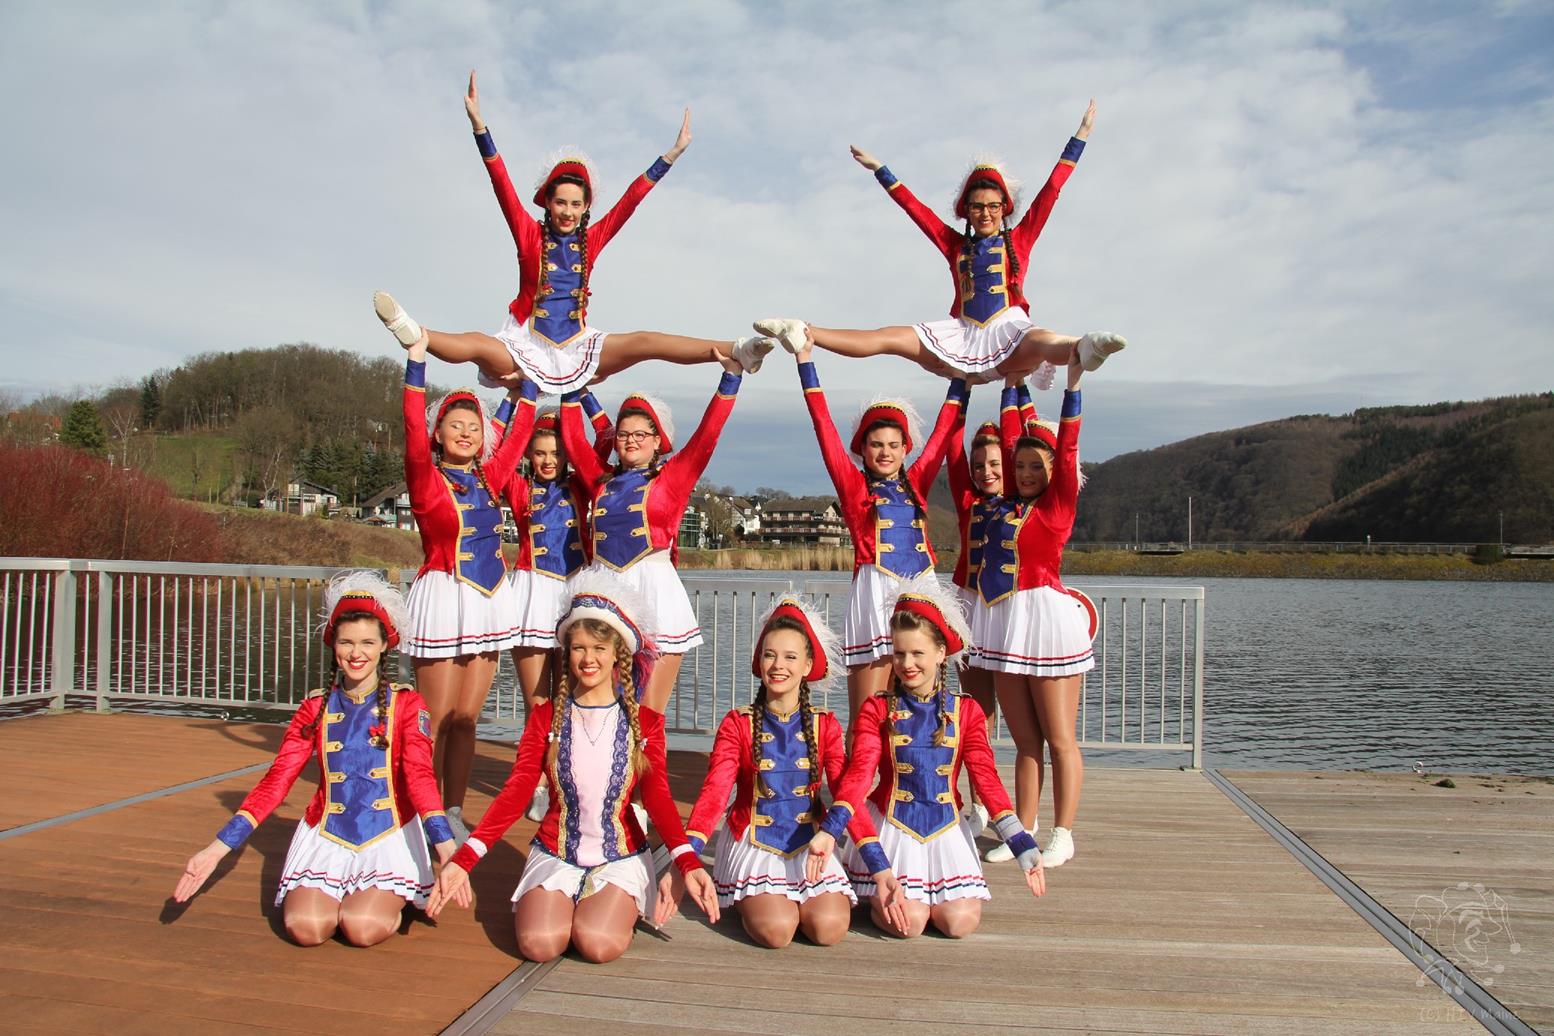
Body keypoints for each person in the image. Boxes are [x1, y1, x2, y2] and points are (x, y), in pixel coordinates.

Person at [373, 71, 775, 392]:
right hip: (526, 341)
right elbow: (501, 183)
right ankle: (417, 333)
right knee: (479, 344)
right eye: (560, 202)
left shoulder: (591, 240)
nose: (567, 211)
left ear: (585, 209)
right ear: (548, 203)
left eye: (575, 204)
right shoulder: (529, 234)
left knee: (645, 342)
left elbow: (631, 201)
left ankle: (739, 349)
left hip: (579, 344)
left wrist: (671, 154)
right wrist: (480, 127)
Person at [426, 575, 719, 963]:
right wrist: (464, 861)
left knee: (596, 943)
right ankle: (575, 901)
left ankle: (614, 899)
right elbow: (515, 793)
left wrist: (688, 863)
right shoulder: (546, 718)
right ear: (566, 653)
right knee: (539, 944)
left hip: (620, 856)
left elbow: (659, 799)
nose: (588, 659)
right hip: (556, 851)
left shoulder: (645, 723)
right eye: (578, 648)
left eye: (599, 648)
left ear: (617, 654)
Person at [172, 572, 454, 947]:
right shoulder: (315, 707)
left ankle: (399, 894)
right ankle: (347, 894)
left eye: (367, 642)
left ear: (385, 645)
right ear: (333, 644)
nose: (356, 654)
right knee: (305, 928)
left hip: (387, 835)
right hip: (327, 835)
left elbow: (419, 777)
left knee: (361, 927)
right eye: (346, 642)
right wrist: (217, 848)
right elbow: (277, 781)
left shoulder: (407, 704)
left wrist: (446, 847)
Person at [755, 101, 1125, 383]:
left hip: (1008, 332)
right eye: (977, 207)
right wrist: (881, 170)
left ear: (1004, 208)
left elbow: (1051, 191)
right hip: (961, 335)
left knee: (1043, 340)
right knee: (889, 337)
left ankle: (1086, 346)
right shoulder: (955, 246)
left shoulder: (1019, 238)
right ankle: (804, 331)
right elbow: (916, 210)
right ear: (966, 211)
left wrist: (1080, 137)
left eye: (992, 206)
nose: (985, 213)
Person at [806, 574, 1045, 939]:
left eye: (917, 653)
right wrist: (831, 830)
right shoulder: (877, 709)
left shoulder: (965, 711)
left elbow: (985, 778)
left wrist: (1021, 842)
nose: (907, 663)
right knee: (911, 924)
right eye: (899, 653)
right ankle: (874, 889)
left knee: (959, 923)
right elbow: (859, 776)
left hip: (946, 831)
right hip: (894, 829)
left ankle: (925, 897)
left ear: (940, 653)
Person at [678, 596, 907, 947]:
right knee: (777, 930)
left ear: (807, 665)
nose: (778, 666)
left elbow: (848, 796)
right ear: (759, 661)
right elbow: (715, 795)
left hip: (810, 843)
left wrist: (880, 868)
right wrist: (687, 859)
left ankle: (790, 899)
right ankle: (747, 894)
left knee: (829, 928)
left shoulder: (825, 725)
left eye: (790, 657)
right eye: (769, 655)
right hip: (754, 842)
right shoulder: (738, 723)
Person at [791, 336, 967, 729]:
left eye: (893, 445)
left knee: (922, 709)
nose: (885, 452)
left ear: (905, 449)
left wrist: (961, 381)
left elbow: (941, 436)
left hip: (921, 589)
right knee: (868, 716)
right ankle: (857, 772)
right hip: (874, 592)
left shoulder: (916, 483)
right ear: (863, 449)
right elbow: (824, 428)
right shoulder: (854, 488)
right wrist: (805, 361)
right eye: (876, 445)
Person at [400, 334, 534, 844]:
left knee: (465, 719)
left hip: (486, 602)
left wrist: (528, 387)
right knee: (433, 719)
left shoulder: (490, 478)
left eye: (473, 427)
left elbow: (515, 437)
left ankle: (452, 810)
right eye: (455, 425)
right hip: (443, 594)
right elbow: (411, 428)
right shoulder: (425, 479)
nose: (465, 433)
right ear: (437, 434)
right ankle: (422, 814)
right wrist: (416, 362)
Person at [559, 352, 747, 712]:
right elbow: (573, 439)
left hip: (655, 592)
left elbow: (707, 435)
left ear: (658, 440)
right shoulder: (600, 481)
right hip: (605, 592)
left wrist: (731, 377)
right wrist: (569, 383)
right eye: (623, 435)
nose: (631, 441)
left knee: (647, 714)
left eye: (640, 435)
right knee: (600, 708)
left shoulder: (672, 478)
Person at [975, 357, 1096, 868]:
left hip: (1047, 623)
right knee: (1025, 740)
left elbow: (1066, 450)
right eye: (1019, 466)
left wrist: (1074, 381)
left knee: (1059, 738)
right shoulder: (1006, 504)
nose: (1024, 473)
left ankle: (1064, 833)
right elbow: (1011, 437)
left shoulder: (1058, 505)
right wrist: (1011, 381)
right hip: (1006, 625)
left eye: (1034, 467)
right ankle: (1023, 830)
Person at [946, 377, 1036, 835]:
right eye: (979, 464)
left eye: (995, 463)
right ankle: (979, 803)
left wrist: (1012, 387)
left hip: (1007, 608)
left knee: (1019, 719)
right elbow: (951, 452)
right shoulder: (967, 500)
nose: (985, 472)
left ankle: (1018, 813)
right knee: (975, 713)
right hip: (968, 606)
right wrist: (960, 385)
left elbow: (1021, 438)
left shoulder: (1021, 501)